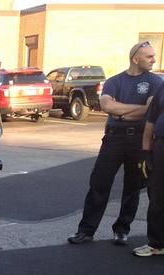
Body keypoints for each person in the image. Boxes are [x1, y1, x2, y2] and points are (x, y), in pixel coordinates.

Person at [68, 41, 163, 246]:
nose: (154, 60)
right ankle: (86, 231)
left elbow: (149, 111)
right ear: (135, 58)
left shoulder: (156, 82)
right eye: (149, 57)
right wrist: (132, 109)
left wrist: (120, 111)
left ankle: (121, 230)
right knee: (99, 183)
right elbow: (107, 106)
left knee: (133, 186)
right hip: (113, 138)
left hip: (138, 139)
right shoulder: (114, 81)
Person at [134, 82, 164, 256]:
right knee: (157, 193)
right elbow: (151, 119)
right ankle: (157, 243)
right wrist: (146, 151)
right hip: (161, 145)